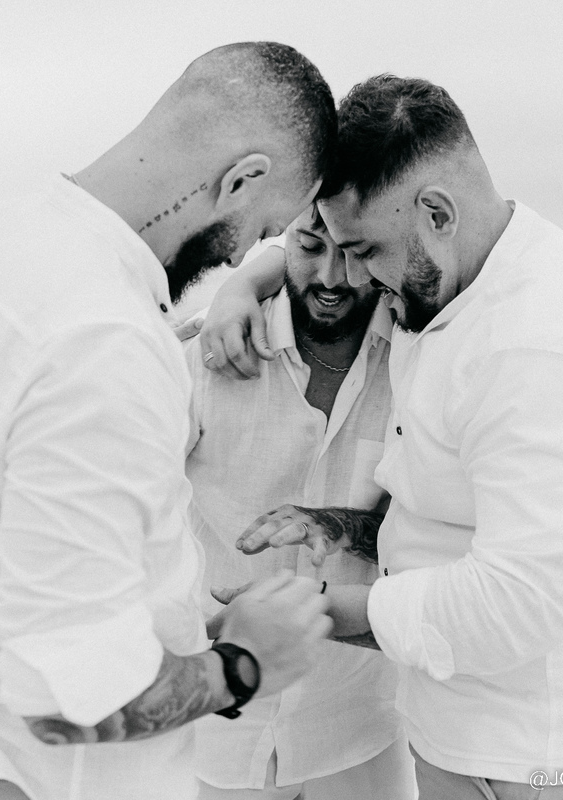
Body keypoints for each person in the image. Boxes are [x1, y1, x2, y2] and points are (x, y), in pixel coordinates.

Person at [201, 74, 563, 799]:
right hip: (461, 741)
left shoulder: (539, 352)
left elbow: (519, 603)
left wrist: (308, 612)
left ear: (437, 212)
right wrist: (243, 285)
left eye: (363, 250)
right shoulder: (450, 275)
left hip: (545, 760)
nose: (353, 276)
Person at [0, 42, 338, 800]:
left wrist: (182, 626)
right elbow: (66, 702)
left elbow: (26, 555)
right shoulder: (105, 342)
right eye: (265, 227)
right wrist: (243, 666)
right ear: (242, 178)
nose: (244, 256)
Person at [183, 206, 416, 799]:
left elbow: (424, 526)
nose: (331, 277)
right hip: (221, 729)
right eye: (310, 247)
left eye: (350, 252)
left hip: (360, 720)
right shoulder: (207, 352)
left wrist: (340, 527)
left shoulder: (417, 359)